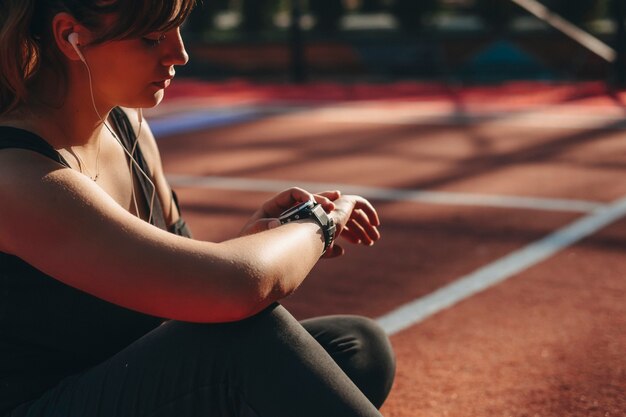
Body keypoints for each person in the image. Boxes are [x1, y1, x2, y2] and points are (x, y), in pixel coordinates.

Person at [0, 1, 395, 416]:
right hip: (43, 403)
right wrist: (321, 223)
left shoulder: (127, 125)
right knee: (245, 343)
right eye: (152, 38)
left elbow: (183, 291)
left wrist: (245, 243)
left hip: (115, 376)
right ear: (70, 36)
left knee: (357, 347)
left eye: (178, 29)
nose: (179, 54)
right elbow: (233, 288)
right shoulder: (17, 175)